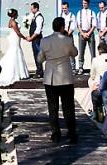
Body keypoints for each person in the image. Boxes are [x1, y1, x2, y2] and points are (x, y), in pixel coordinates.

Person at [38, 16, 79, 144]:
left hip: (51, 78)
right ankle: (71, 133)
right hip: (65, 77)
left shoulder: (45, 41)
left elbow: (40, 59)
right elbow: (75, 53)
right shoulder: (67, 40)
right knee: (68, 107)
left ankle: (56, 134)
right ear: (62, 27)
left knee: (53, 107)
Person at [0, 8, 30, 86]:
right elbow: (18, 33)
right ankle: (16, 72)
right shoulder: (13, 22)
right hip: (15, 37)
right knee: (15, 51)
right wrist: (25, 37)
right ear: (14, 15)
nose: (18, 15)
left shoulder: (10, 21)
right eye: (17, 14)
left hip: (13, 37)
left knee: (15, 51)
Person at [76, 0, 97, 73]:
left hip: (90, 32)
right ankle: (81, 67)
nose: (84, 5)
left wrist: (89, 33)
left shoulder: (92, 12)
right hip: (82, 32)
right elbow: (78, 24)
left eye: (85, 3)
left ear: (88, 3)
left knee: (92, 52)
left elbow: (94, 25)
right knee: (81, 51)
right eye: (83, 3)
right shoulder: (79, 13)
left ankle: (93, 68)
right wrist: (82, 33)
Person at [26, 2, 45, 78]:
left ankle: (40, 71)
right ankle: (38, 69)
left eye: (32, 9)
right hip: (34, 39)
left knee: (38, 54)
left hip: (37, 39)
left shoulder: (39, 17)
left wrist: (31, 38)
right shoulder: (35, 17)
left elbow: (38, 31)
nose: (31, 10)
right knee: (35, 54)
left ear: (36, 8)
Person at [60, 1, 78, 72]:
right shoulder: (61, 15)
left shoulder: (72, 16)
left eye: (65, 8)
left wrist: (67, 34)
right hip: (62, 35)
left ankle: (73, 67)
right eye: (63, 8)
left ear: (68, 8)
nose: (64, 10)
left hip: (69, 35)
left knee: (70, 51)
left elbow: (73, 27)